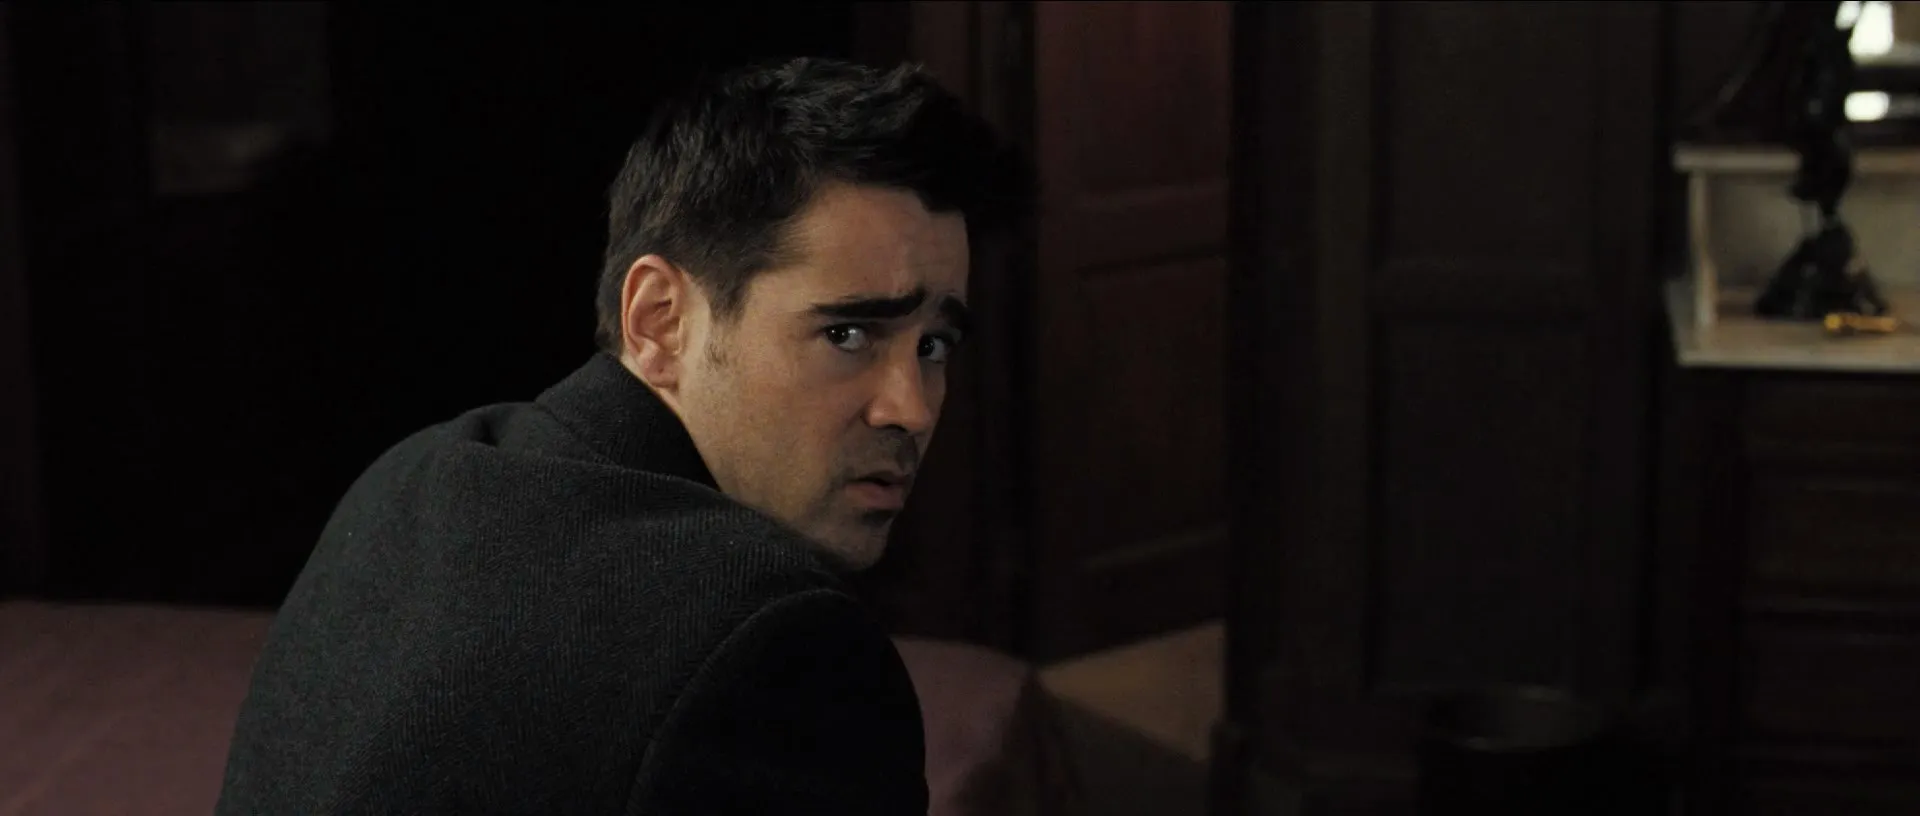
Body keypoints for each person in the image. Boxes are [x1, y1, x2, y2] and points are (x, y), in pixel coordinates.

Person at [216, 57, 1031, 815]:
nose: (911, 409)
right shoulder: (779, 645)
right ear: (659, 321)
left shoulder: (410, 480)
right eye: (847, 335)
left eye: (934, 346)